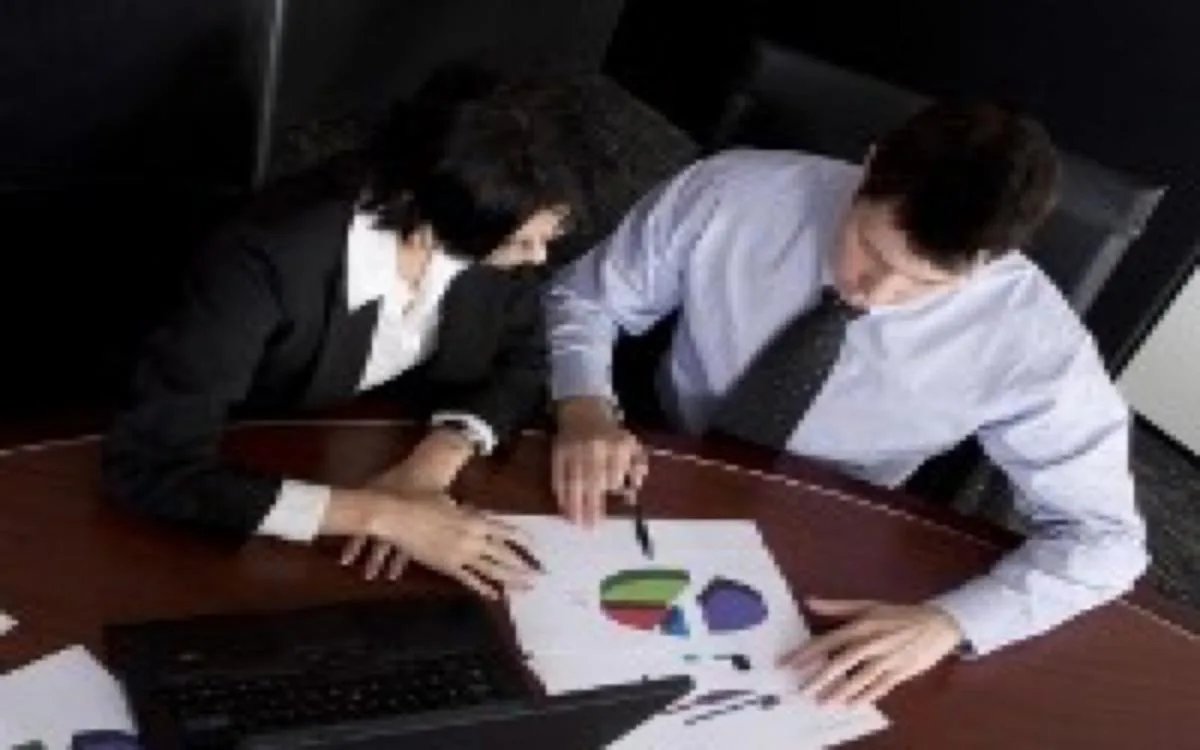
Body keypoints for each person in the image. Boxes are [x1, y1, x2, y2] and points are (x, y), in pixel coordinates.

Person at [545, 100, 1147, 706]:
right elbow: (587, 299)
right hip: (659, 460)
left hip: (829, 525)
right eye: (872, 250)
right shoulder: (732, 192)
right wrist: (584, 404)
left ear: (991, 260)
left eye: (925, 284)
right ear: (871, 165)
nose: (877, 293)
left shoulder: (1035, 344)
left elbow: (1107, 540)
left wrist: (950, 623)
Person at [104, 69, 581, 600]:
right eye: (519, 243)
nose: (538, 257)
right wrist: (383, 516)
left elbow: (525, 358)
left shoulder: (493, 222)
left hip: (357, 440)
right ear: (427, 210)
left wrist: (433, 463)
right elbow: (152, 466)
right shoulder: (262, 259)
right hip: (233, 461)